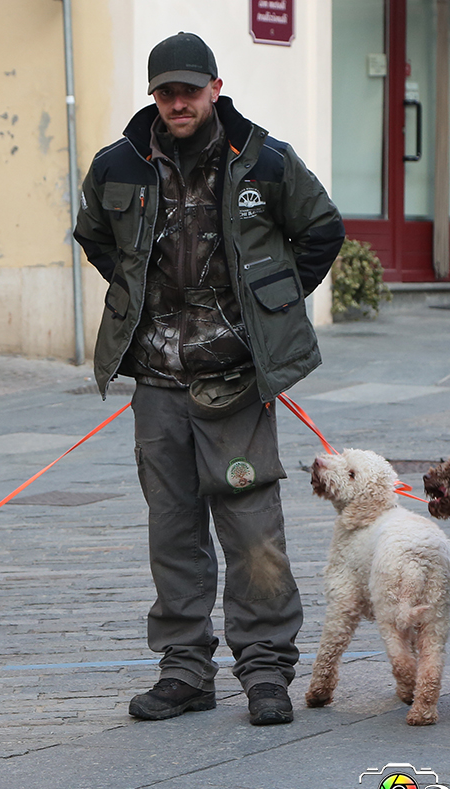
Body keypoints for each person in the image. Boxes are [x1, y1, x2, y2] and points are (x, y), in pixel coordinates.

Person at [73, 32, 345, 725]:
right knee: (172, 532)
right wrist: (141, 301)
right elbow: (95, 236)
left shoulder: (265, 161)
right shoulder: (118, 166)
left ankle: (265, 670)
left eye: (190, 89)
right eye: (166, 91)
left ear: (216, 88)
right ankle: (185, 670)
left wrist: (270, 305)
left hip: (234, 381)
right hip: (158, 383)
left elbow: (322, 230)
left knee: (253, 529)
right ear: (153, 95)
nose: (178, 101)